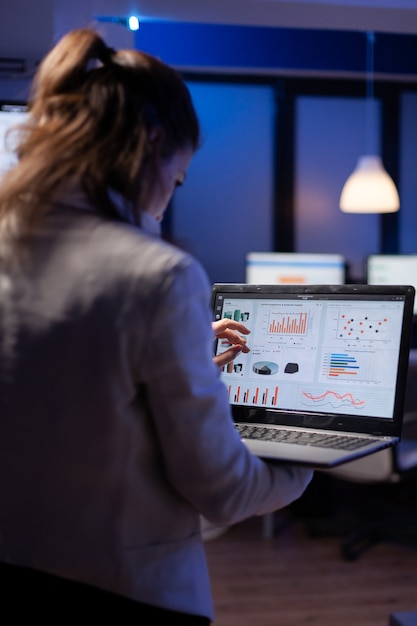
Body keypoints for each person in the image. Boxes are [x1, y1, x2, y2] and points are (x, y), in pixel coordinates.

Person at [0, 28, 313, 623]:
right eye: (175, 181)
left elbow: (66, 393)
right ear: (151, 141)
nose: (166, 202)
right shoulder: (160, 276)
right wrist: (307, 462)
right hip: (125, 588)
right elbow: (222, 491)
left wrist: (187, 354)